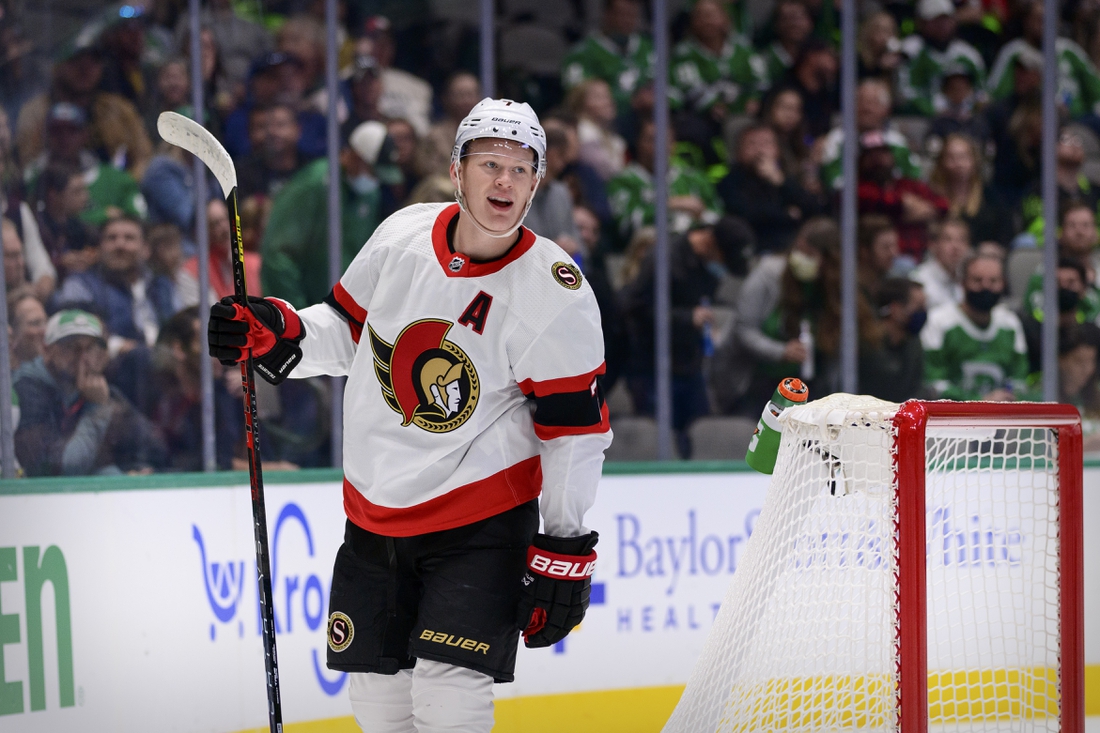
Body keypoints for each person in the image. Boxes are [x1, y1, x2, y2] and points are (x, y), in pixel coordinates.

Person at [208, 97, 611, 732]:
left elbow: (574, 434)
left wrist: (563, 544)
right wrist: (279, 332)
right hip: (374, 511)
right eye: (489, 164)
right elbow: (345, 331)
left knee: (449, 699)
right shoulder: (401, 237)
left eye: (521, 168)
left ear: (537, 181)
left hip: (479, 522)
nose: (504, 181)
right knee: (377, 701)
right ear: (457, 170)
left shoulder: (555, 292)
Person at [620, 216, 753, 456]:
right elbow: (635, 309)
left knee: (700, 432)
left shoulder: (708, 268)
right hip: (653, 367)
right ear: (711, 243)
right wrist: (686, 317)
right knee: (659, 438)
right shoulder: (664, 259)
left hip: (688, 364)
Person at [261, 120, 401, 309]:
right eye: (373, 171)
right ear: (356, 156)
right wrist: (295, 313)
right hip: (303, 311)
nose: (375, 180)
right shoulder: (314, 185)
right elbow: (278, 254)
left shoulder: (370, 194)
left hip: (342, 314)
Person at [14, 309, 167, 476]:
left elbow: (155, 449)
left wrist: (133, 471)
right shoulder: (27, 389)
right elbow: (62, 467)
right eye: (71, 347)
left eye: (89, 348)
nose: (82, 357)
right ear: (47, 350)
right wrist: (97, 410)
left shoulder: (95, 389)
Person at [53, 215, 178, 356]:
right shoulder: (81, 285)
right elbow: (78, 334)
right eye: (111, 238)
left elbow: (179, 328)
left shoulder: (161, 284)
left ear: (145, 249)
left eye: (129, 238)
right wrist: (125, 348)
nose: (120, 245)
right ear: (100, 247)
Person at [922, 253, 1029, 400]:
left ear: (1003, 284)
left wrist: (1006, 398)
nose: (986, 286)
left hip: (1001, 416)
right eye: (977, 280)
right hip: (952, 418)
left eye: (993, 281)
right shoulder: (939, 321)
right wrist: (979, 401)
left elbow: (1019, 380)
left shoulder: (1010, 323)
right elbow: (934, 382)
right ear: (962, 283)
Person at [607, 118, 722, 248]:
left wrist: (701, 216)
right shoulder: (623, 181)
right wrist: (669, 205)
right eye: (652, 140)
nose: (660, 146)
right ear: (639, 143)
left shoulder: (695, 179)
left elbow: (717, 218)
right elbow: (625, 224)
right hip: (646, 256)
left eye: (666, 140)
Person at [717, 122, 821, 254]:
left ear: (777, 150)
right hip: (753, 250)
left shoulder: (787, 178)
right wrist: (788, 215)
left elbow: (814, 210)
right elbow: (746, 215)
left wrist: (780, 182)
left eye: (766, 143)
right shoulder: (730, 182)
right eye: (752, 144)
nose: (760, 150)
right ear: (739, 151)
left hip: (792, 249)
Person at [856, 130, 949, 265]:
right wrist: (904, 205)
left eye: (883, 153)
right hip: (878, 262)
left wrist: (902, 210)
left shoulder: (907, 184)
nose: (878, 159)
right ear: (862, 160)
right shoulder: (856, 189)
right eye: (871, 155)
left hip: (919, 255)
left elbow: (942, 205)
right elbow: (888, 203)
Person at [561, 0, 653, 125]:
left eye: (632, 15)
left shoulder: (648, 47)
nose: (627, 20)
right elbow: (577, 96)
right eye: (622, 14)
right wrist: (629, 100)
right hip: (605, 124)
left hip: (645, 120)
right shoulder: (582, 54)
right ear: (607, 14)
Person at [896, 0, 986, 117]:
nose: (942, 25)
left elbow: (982, 93)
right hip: (919, 119)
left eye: (946, 19)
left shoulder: (968, 54)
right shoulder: (910, 50)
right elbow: (903, 94)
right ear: (922, 22)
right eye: (935, 20)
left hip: (963, 119)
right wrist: (934, 109)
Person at [927, 133, 1013, 248]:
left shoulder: (990, 196)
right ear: (942, 162)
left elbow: (1005, 232)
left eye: (963, 157)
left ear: (974, 160)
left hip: (981, 257)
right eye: (951, 157)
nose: (958, 163)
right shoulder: (931, 195)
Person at [859, 278, 927, 402]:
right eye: (918, 307)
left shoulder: (913, 344)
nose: (923, 313)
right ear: (895, 309)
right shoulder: (867, 347)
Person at [909, 218, 972, 310]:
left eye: (962, 240)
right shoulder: (918, 279)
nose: (956, 246)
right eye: (948, 239)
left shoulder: (969, 281)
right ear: (933, 245)